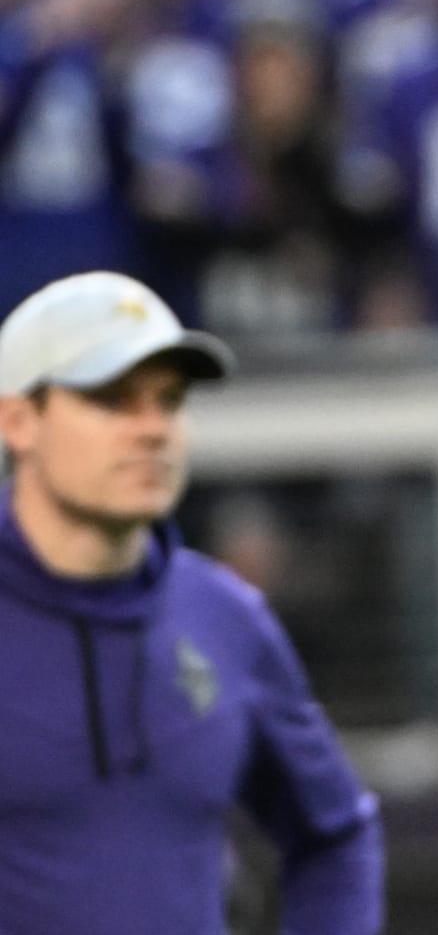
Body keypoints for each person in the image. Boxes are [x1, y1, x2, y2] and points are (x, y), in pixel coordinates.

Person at [0, 270, 384, 934]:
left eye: (170, 401)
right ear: (18, 420)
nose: (153, 429)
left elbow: (336, 835)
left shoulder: (225, 618)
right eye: (113, 399)